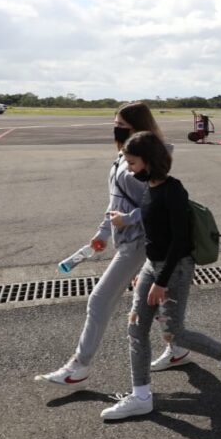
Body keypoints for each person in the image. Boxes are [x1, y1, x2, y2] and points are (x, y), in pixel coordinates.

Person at [35, 102, 186, 388]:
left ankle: (78, 366)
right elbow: (115, 200)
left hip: (140, 242)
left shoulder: (148, 161)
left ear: (138, 127)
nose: (115, 128)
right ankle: (178, 348)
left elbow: (156, 207)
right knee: (150, 300)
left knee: (99, 300)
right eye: (114, 122)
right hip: (126, 239)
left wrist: (125, 221)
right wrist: (102, 233)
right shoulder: (124, 156)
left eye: (121, 125)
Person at [99, 131, 221, 420]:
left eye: (133, 163)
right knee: (136, 328)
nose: (129, 169)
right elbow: (150, 224)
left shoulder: (173, 191)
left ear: (150, 161)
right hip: (154, 265)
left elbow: (180, 242)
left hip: (175, 268)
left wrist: (161, 282)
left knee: (174, 332)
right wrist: (142, 266)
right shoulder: (150, 187)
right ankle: (141, 396)